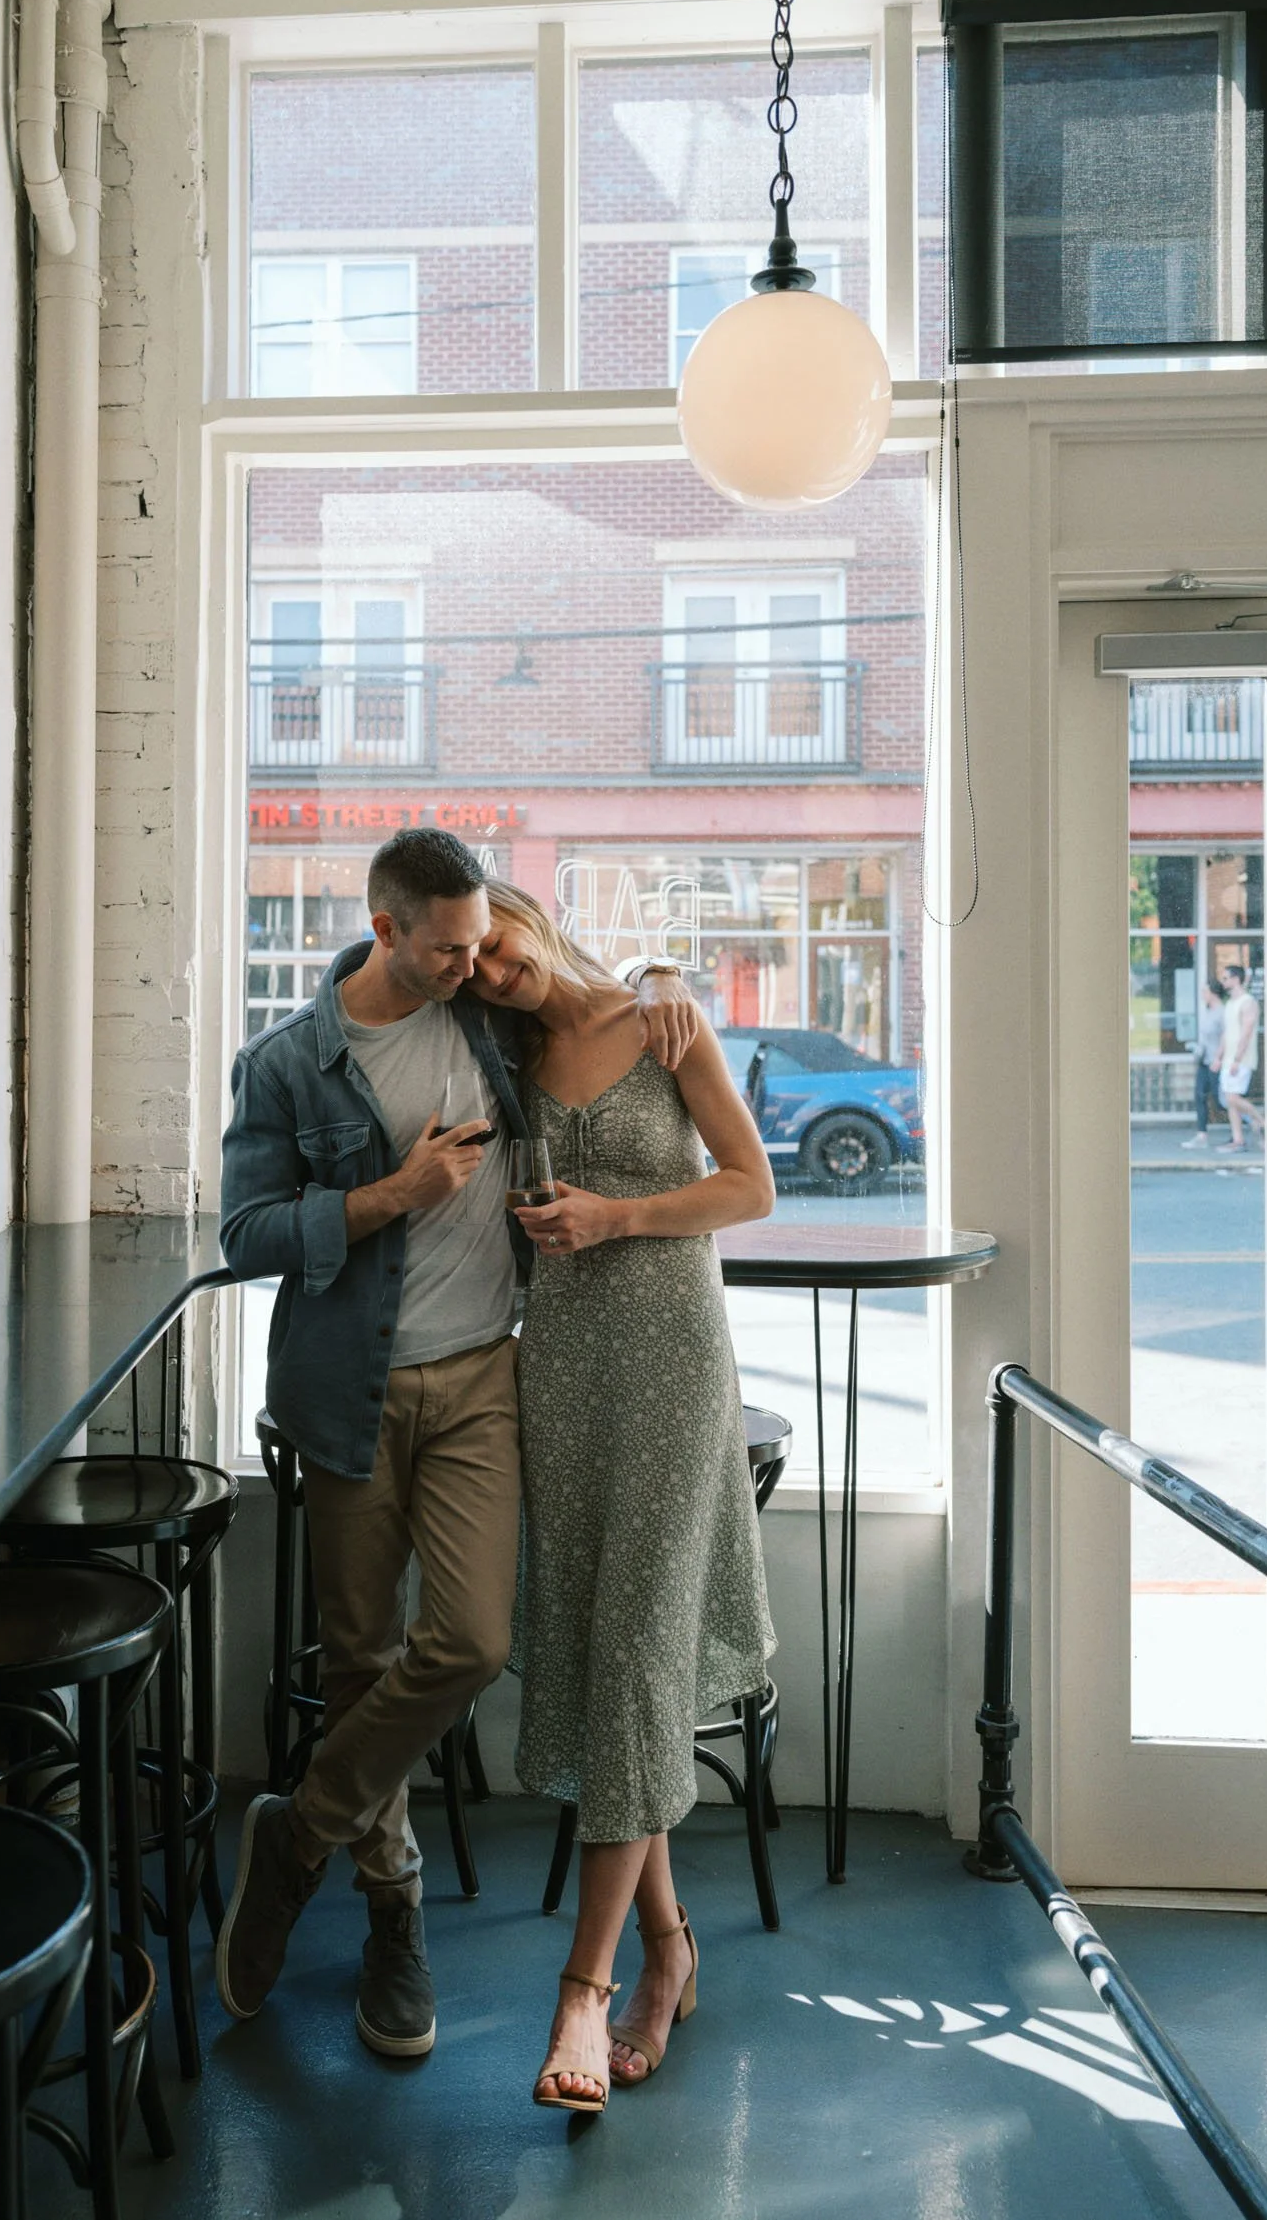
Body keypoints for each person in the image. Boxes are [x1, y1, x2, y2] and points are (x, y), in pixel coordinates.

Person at [214, 828, 696, 2062]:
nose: (474, 967)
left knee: (476, 1639)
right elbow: (248, 1232)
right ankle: (393, 1916)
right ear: (385, 931)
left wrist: (659, 972)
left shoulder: (491, 1022)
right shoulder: (287, 1064)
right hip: (347, 1390)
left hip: (486, 1373)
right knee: (365, 1656)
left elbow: (578, 994)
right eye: (449, 948)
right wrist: (390, 1197)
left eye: (482, 942)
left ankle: (298, 1830)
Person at [468, 880, 776, 2115]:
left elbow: (750, 1185)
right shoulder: (502, 1056)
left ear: (531, 917)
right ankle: (671, 1945)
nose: (492, 973)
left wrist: (619, 1217)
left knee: (643, 1651)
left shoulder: (665, 1022)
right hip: (562, 1370)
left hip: (670, 1359)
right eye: (472, 967)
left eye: (499, 947)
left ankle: (587, 1992)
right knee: (609, 1660)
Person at [1219, 962, 1263, 1150]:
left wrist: (1237, 1059)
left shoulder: (1248, 1002)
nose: (1223, 982)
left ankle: (1263, 1121)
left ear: (1236, 979)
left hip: (1241, 1059)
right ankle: (1238, 1139)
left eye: (1225, 978)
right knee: (1230, 1099)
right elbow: (1227, 1032)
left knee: (1232, 1098)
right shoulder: (1230, 1003)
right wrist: (1218, 1056)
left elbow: (1246, 1032)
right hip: (1229, 1058)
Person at [1181, 982, 1226, 1149]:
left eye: (1205, 991)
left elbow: (1226, 1037)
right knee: (1199, 1096)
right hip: (1205, 1061)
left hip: (1217, 1062)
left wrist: (1219, 1058)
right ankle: (1201, 1136)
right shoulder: (1208, 1012)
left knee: (1222, 1100)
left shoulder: (1222, 1012)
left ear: (1214, 993)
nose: (1202, 994)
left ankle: (1256, 1122)